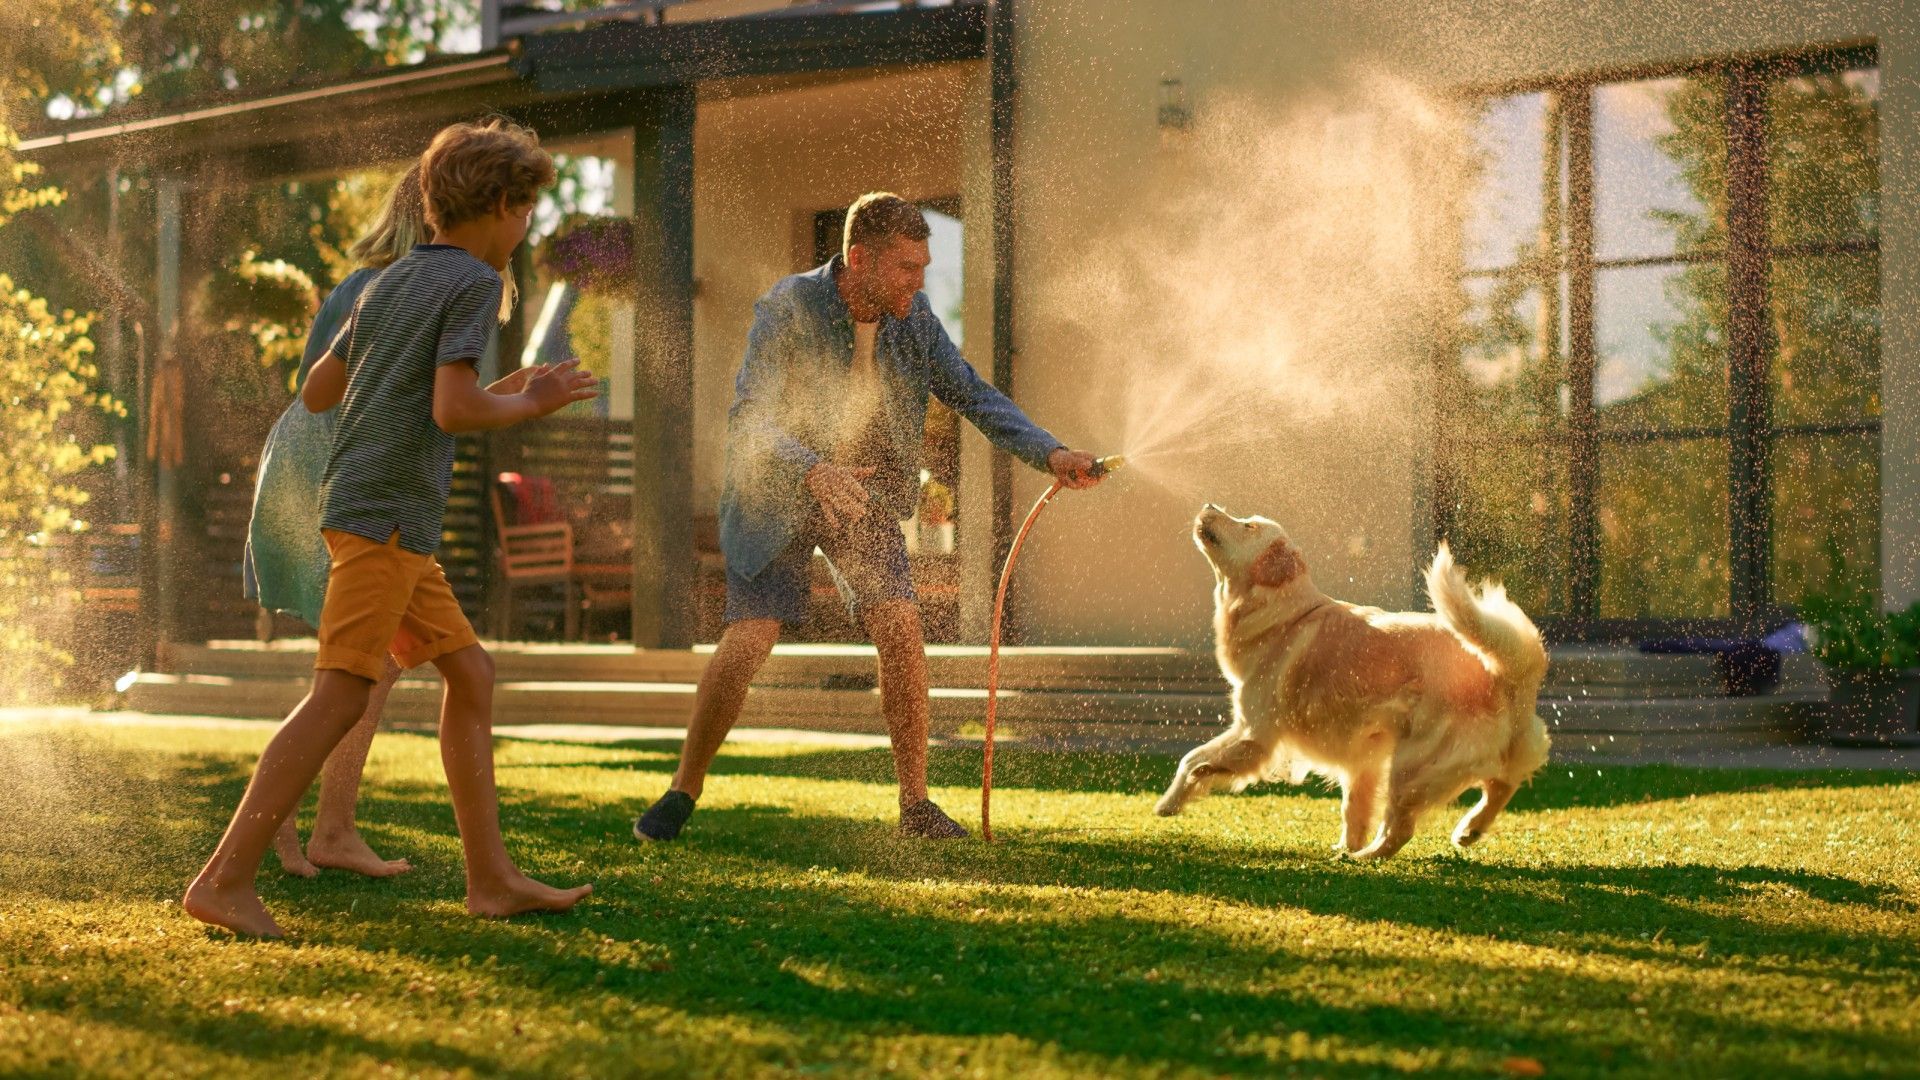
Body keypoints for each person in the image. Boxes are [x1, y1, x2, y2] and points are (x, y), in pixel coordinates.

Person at [184, 118, 597, 937]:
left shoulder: (390, 281)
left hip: (374, 515)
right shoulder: (475, 284)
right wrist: (529, 400)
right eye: (527, 214)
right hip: (388, 521)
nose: (526, 231)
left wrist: (500, 385)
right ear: (504, 206)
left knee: (470, 675)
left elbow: (321, 392)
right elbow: (453, 407)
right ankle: (224, 879)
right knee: (339, 698)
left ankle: (491, 880)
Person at [633, 192, 1104, 842]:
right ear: (860, 259)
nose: (921, 280)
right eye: (908, 267)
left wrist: (1049, 452)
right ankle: (684, 787)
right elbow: (750, 418)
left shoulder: (915, 321)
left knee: (901, 627)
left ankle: (916, 805)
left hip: (861, 494)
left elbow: (970, 392)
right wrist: (811, 469)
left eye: (924, 266)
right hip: (779, 488)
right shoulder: (789, 306)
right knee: (751, 640)